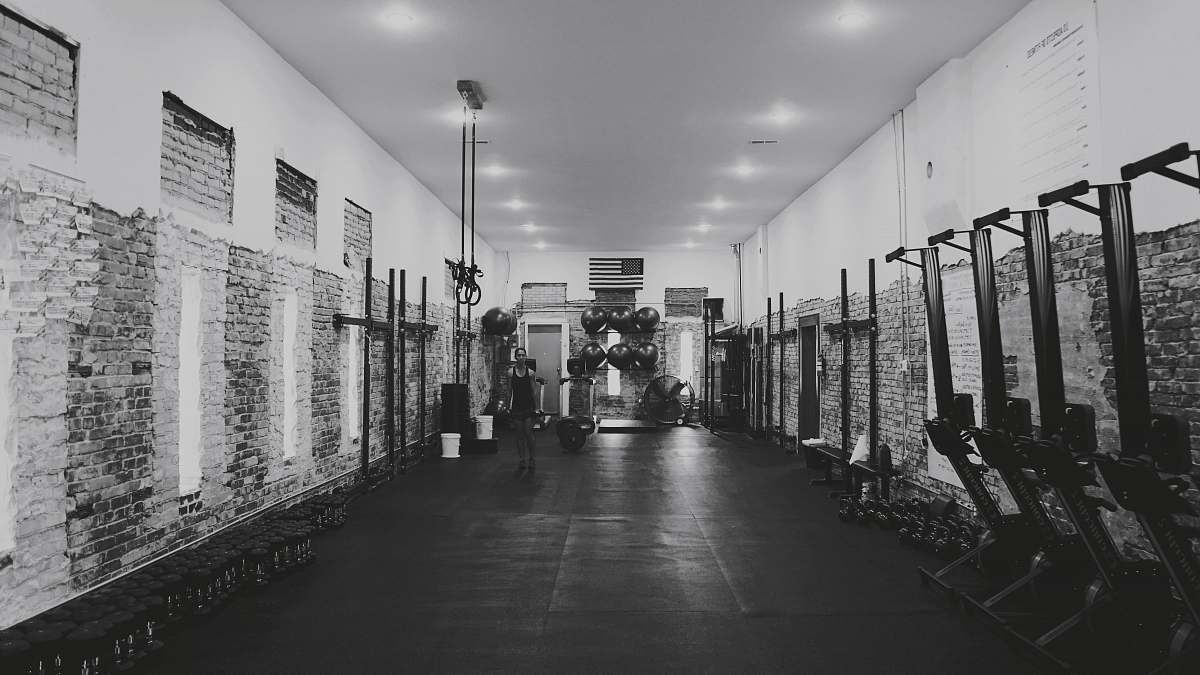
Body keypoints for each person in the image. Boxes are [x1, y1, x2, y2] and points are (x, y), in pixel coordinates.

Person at [508, 347, 543, 470]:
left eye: (523, 355)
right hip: (517, 407)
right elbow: (509, 391)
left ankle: (532, 458)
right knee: (519, 435)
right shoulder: (510, 372)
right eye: (519, 355)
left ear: (526, 357)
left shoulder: (531, 373)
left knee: (528, 433)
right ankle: (522, 459)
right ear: (515, 357)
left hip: (529, 407)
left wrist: (538, 408)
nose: (521, 357)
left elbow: (534, 391)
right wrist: (508, 407)